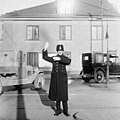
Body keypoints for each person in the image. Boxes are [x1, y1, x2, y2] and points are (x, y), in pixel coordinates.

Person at [42, 42, 71, 116]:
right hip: (56, 79)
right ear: (57, 51)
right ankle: (58, 111)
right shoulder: (54, 58)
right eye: (58, 51)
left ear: (63, 51)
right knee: (57, 96)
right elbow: (45, 57)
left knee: (64, 96)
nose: (60, 52)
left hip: (63, 79)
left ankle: (65, 111)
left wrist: (60, 59)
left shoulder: (64, 58)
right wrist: (45, 49)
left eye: (61, 51)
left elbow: (68, 61)